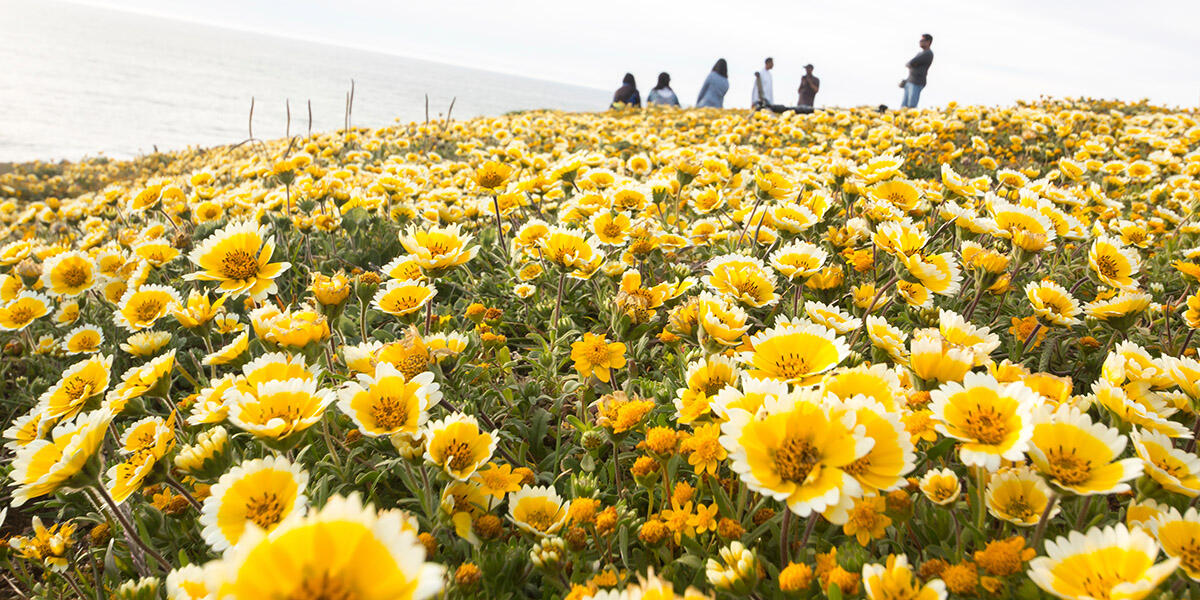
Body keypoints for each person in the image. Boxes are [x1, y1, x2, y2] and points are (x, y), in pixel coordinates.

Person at [900, 33, 934, 108]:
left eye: (922, 40)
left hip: (917, 82)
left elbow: (912, 62)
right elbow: (910, 64)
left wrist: (911, 65)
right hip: (910, 81)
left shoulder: (928, 53)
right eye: (920, 40)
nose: (920, 42)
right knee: (904, 106)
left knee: (911, 106)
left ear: (928, 42)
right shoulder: (920, 53)